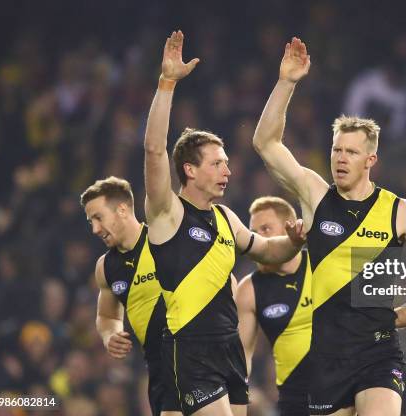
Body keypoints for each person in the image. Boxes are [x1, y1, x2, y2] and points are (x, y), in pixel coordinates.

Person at [252, 37, 406, 416]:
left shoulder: (399, 211)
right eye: (336, 150)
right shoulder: (314, 195)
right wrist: (287, 83)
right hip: (326, 358)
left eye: (351, 152)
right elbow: (265, 143)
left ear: (370, 159)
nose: (341, 159)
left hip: (378, 351)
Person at [143, 31, 305, 416]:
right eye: (217, 163)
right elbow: (153, 149)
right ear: (189, 170)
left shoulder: (226, 219)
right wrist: (167, 83)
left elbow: (268, 250)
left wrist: (294, 242)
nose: (228, 171)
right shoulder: (168, 213)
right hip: (192, 347)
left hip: (229, 350)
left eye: (227, 163)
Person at [80, 176, 181, 416]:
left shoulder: (164, 240)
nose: (94, 229)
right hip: (158, 371)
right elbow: (107, 315)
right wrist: (110, 335)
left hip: (195, 360)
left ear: (122, 209)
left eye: (98, 218)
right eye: (90, 221)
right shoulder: (105, 268)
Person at [236, 196, 313, 416]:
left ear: (290, 229)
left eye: (266, 229)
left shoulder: (322, 265)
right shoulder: (248, 290)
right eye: (253, 232)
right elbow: (241, 363)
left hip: (342, 393)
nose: (258, 239)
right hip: (294, 401)